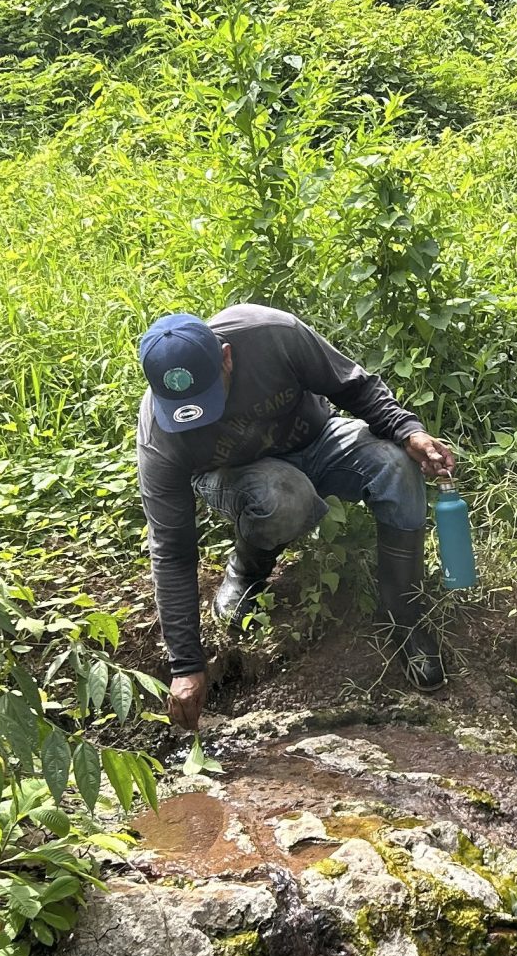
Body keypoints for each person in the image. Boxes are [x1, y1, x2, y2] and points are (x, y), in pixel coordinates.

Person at [136, 306, 458, 731]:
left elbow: (354, 388)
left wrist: (407, 430)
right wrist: (186, 664)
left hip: (316, 438)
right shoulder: (161, 436)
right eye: (185, 409)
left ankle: (402, 615)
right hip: (235, 476)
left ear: (227, 357)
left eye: (208, 398)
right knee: (283, 494)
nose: (203, 417)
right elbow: (172, 550)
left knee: (395, 466)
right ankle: (245, 573)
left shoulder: (271, 334)